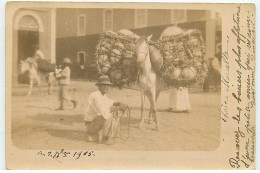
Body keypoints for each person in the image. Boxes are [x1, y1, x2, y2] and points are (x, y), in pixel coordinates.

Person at [84, 75, 128, 144]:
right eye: (104, 85)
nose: (106, 87)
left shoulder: (102, 95)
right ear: (99, 86)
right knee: (111, 113)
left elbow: (109, 102)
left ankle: (104, 135)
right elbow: (103, 111)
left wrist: (118, 103)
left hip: (96, 121)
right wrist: (119, 107)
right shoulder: (95, 96)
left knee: (115, 111)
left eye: (108, 85)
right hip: (91, 123)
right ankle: (104, 136)